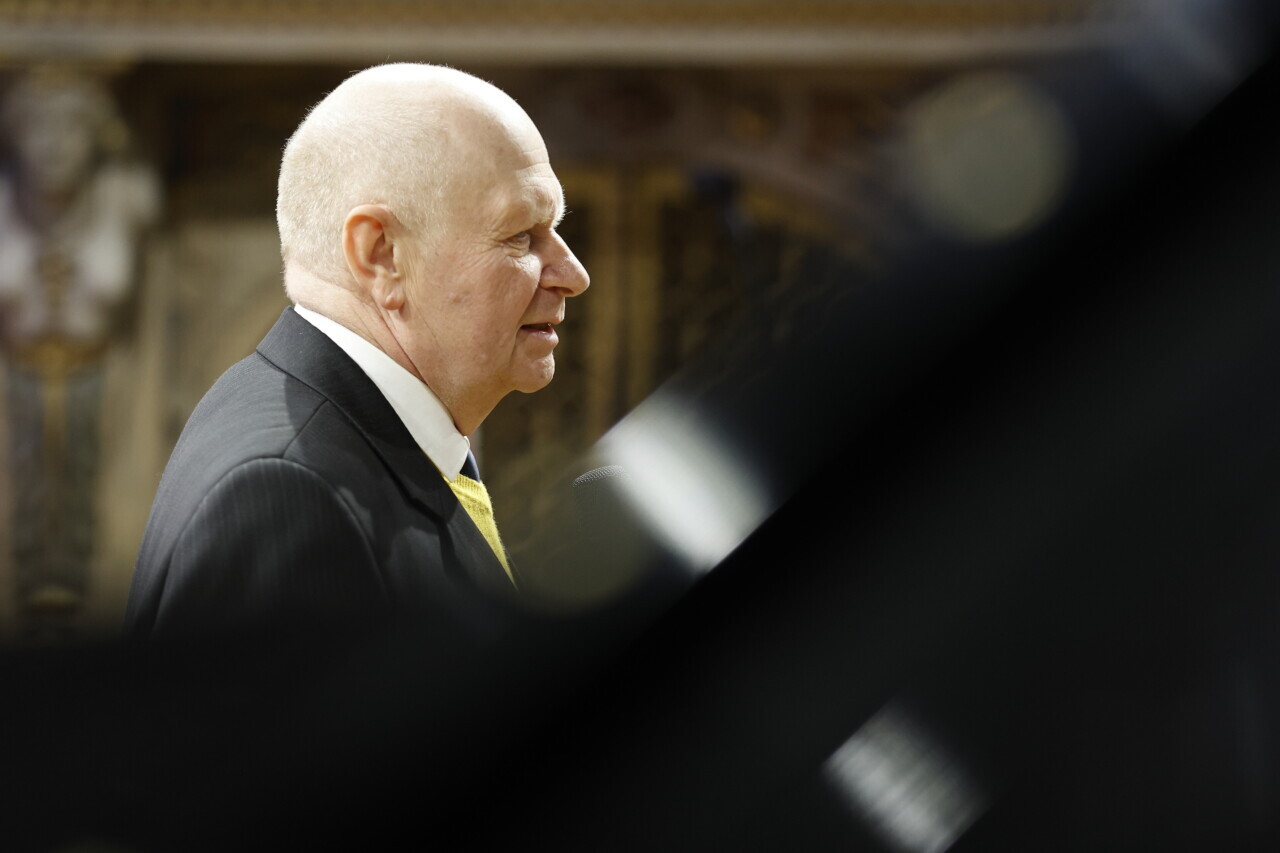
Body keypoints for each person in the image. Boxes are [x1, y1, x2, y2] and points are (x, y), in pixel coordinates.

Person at [125, 63, 589, 641]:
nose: (573, 275)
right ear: (381, 254)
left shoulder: (352, 434)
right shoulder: (286, 497)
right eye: (521, 235)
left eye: (555, 229)